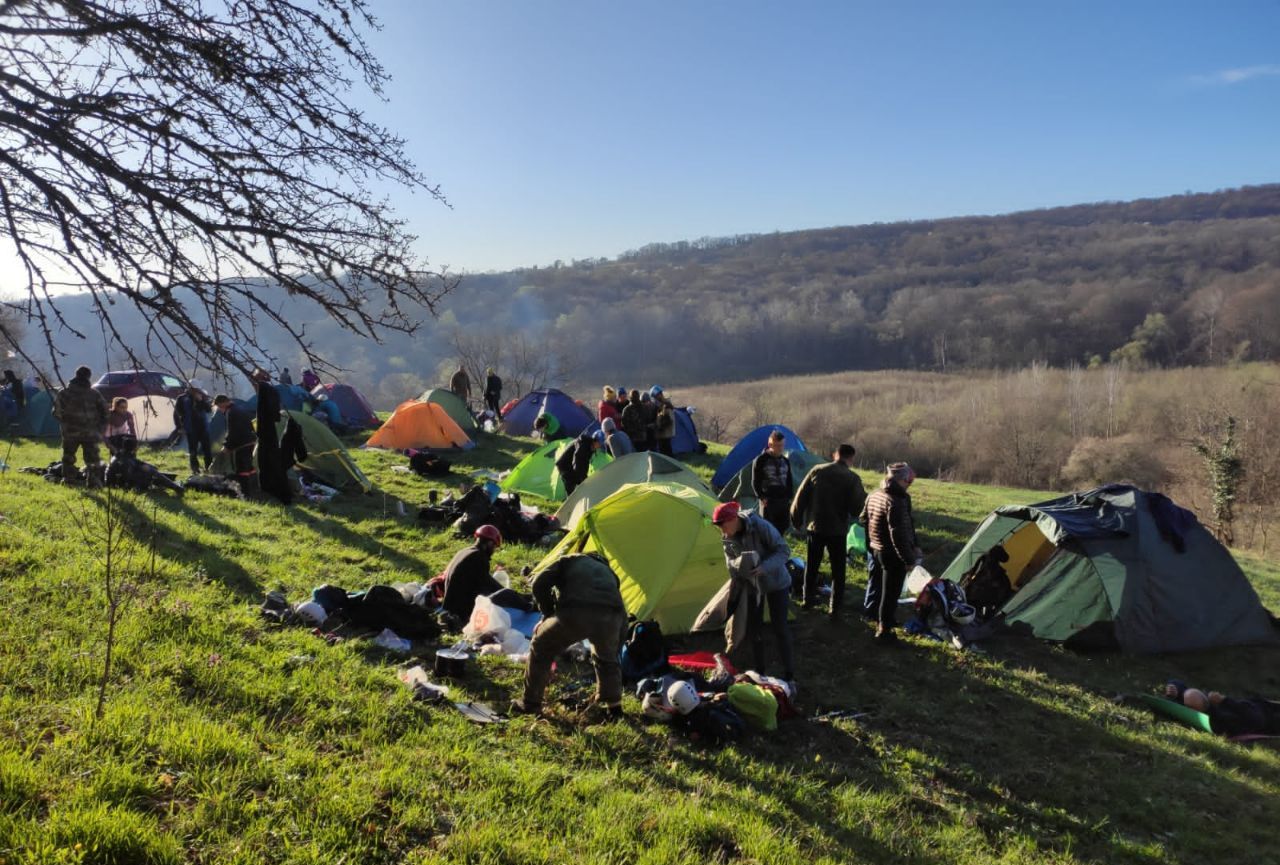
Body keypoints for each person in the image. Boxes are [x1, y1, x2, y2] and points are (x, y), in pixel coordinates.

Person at [513, 552, 628, 718]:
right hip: (613, 617)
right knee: (606, 658)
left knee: (541, 646)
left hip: (577, 610)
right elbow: (622, 616)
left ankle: (530, 703)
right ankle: (614, 709)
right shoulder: (610, 574)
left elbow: (539, 582)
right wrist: (614, 648)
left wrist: (548, 613)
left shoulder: (570, 559)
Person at [712, 500, 795, 682]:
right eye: (719, 527)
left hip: (776, 581)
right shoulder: (726, 536)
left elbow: (783, 550)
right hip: (751, 585)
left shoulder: (760, 526)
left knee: (780, 627)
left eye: (723, 525)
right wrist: (740, 564)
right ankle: (760, 671)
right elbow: (730, 564)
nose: (722, 531)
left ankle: (789, 673)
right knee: (754, 629)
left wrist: (763, 567)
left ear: (734, 519)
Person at [790, 444, 866, 615]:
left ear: (835, 455)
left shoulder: (817, 470)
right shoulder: (852, 478)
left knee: (812, 566)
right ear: (851, 459)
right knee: (838, 571)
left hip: (815, 527)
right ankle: (835, 607)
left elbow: (800, 497)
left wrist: (796, 519)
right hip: (837, 530)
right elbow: (856, 508)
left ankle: (807, 600)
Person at [859, 462, 921, 644]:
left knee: (879, 587)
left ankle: (881, 619)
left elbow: (863, 518)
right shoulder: (897, 501)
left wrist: (874, 538)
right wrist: (909, 559)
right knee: (890, 593)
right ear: (901, 480)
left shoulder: (875, 495)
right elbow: (898, 534)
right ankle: (884, 632)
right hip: (892, 554)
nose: (910, 484)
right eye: (908, 481)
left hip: (876, 549)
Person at [440, 525, 530, 620]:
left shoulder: (465, 551)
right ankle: (531, 607)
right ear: (489, 543)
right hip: (462, 611)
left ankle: (525, 600)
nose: (494, 550)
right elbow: (492, 586)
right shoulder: (478, 557)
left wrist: (521, 596)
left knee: (504, 594)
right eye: (495, 546)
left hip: (450, 605)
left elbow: (483, 581)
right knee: (507, 593)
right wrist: (517, 596)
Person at [53, 366, 109, 485]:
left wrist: (66, 422)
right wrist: (100, 428)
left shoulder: (64, 393)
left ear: (76, 375)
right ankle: (94, 482)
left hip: (70, 432)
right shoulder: (94, 394)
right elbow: (105, 412)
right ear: (89, 376)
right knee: (93, 459)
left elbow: (56, 412)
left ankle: (69, 480)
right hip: (91, 432)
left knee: (68, 457)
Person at [1164, 680, 1280, 736]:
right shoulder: (1220, 720)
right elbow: (1256, 719)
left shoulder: (1187, 699)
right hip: (1268, 718)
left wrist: (1174, 688)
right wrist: (1225, 701)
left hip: (1260, 705)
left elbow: (1180, 685)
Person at [253, 368, 291, 504]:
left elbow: (267, 410)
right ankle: (275, 490)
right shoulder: (272, 389)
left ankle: (271, 490)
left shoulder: (264, 389)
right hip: (269, 429)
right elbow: (275, 414)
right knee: (270, 459)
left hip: (266, 429)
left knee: (267, 460)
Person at [752, 430, 794, 539]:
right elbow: (755, 481)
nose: (781, 448)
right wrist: (761, 497)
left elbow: (789, 481)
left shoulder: (785, 461)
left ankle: (778, 552)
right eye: (778, 445)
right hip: (768, 501)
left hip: (783, 501)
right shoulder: (761, 460)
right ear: (770, 444)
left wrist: (789, 498)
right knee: (767, 530)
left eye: (782, 445)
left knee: (782, 527)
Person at [214, 394, 257, 492]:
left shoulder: (231, 412)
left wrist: (227, 446)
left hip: (242, 444)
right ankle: (255, 489)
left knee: (242, 469)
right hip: (251, 441)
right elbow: (250, 426)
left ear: (222, 403)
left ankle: (245, 493)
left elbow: (233, 431)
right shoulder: (239, 408)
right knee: (250, 467)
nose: (220, 410)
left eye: (219, 407)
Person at [173, 381, 213, 473]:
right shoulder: (182, 398)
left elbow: (208, 409)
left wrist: (201, 400)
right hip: (190, 428)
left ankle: (209, 467)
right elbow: (176, 414)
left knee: (207, 449)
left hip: (203, 427)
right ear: (190, 389)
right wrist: (179, 427)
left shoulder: (202, 396)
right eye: (195, 389)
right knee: (193, 450)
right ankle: (195, 469)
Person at [554, 431, 598, 496]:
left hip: (571, 465)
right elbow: (578, 460)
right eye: (599, 443)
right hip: (564, 465)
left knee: (577, 481)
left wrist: (584, 476)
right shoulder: (583, 445)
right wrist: (582, 477)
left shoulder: (590, 446)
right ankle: (569, 504)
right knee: (570, 486)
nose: (600, 446)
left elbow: (585, 462)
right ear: (595, 441)